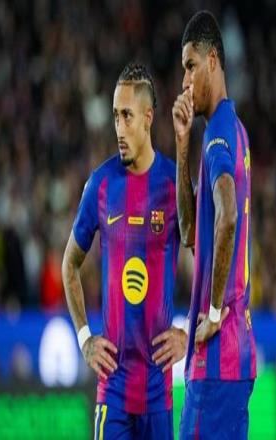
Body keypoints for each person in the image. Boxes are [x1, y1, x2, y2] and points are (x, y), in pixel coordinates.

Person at [62, 62, 187, 440]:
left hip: (158, 391)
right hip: (112, 390)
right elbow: (69, 265)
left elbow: (209, 261)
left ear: (148, 118)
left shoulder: (174, 185)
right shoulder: (100, 185)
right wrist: (85, 339)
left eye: (127, 116)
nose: (119, 127)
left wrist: (189, 332)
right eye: (115, 116)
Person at [173, 11, 257, 439]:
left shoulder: (219, 132)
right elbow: (189, 232)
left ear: (212, 61)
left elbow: (228, 218)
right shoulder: (232, 131)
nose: (185, 80)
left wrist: (212, 312)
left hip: (216, 360)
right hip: (235, 362)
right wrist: (181, 144)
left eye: (190, 66)